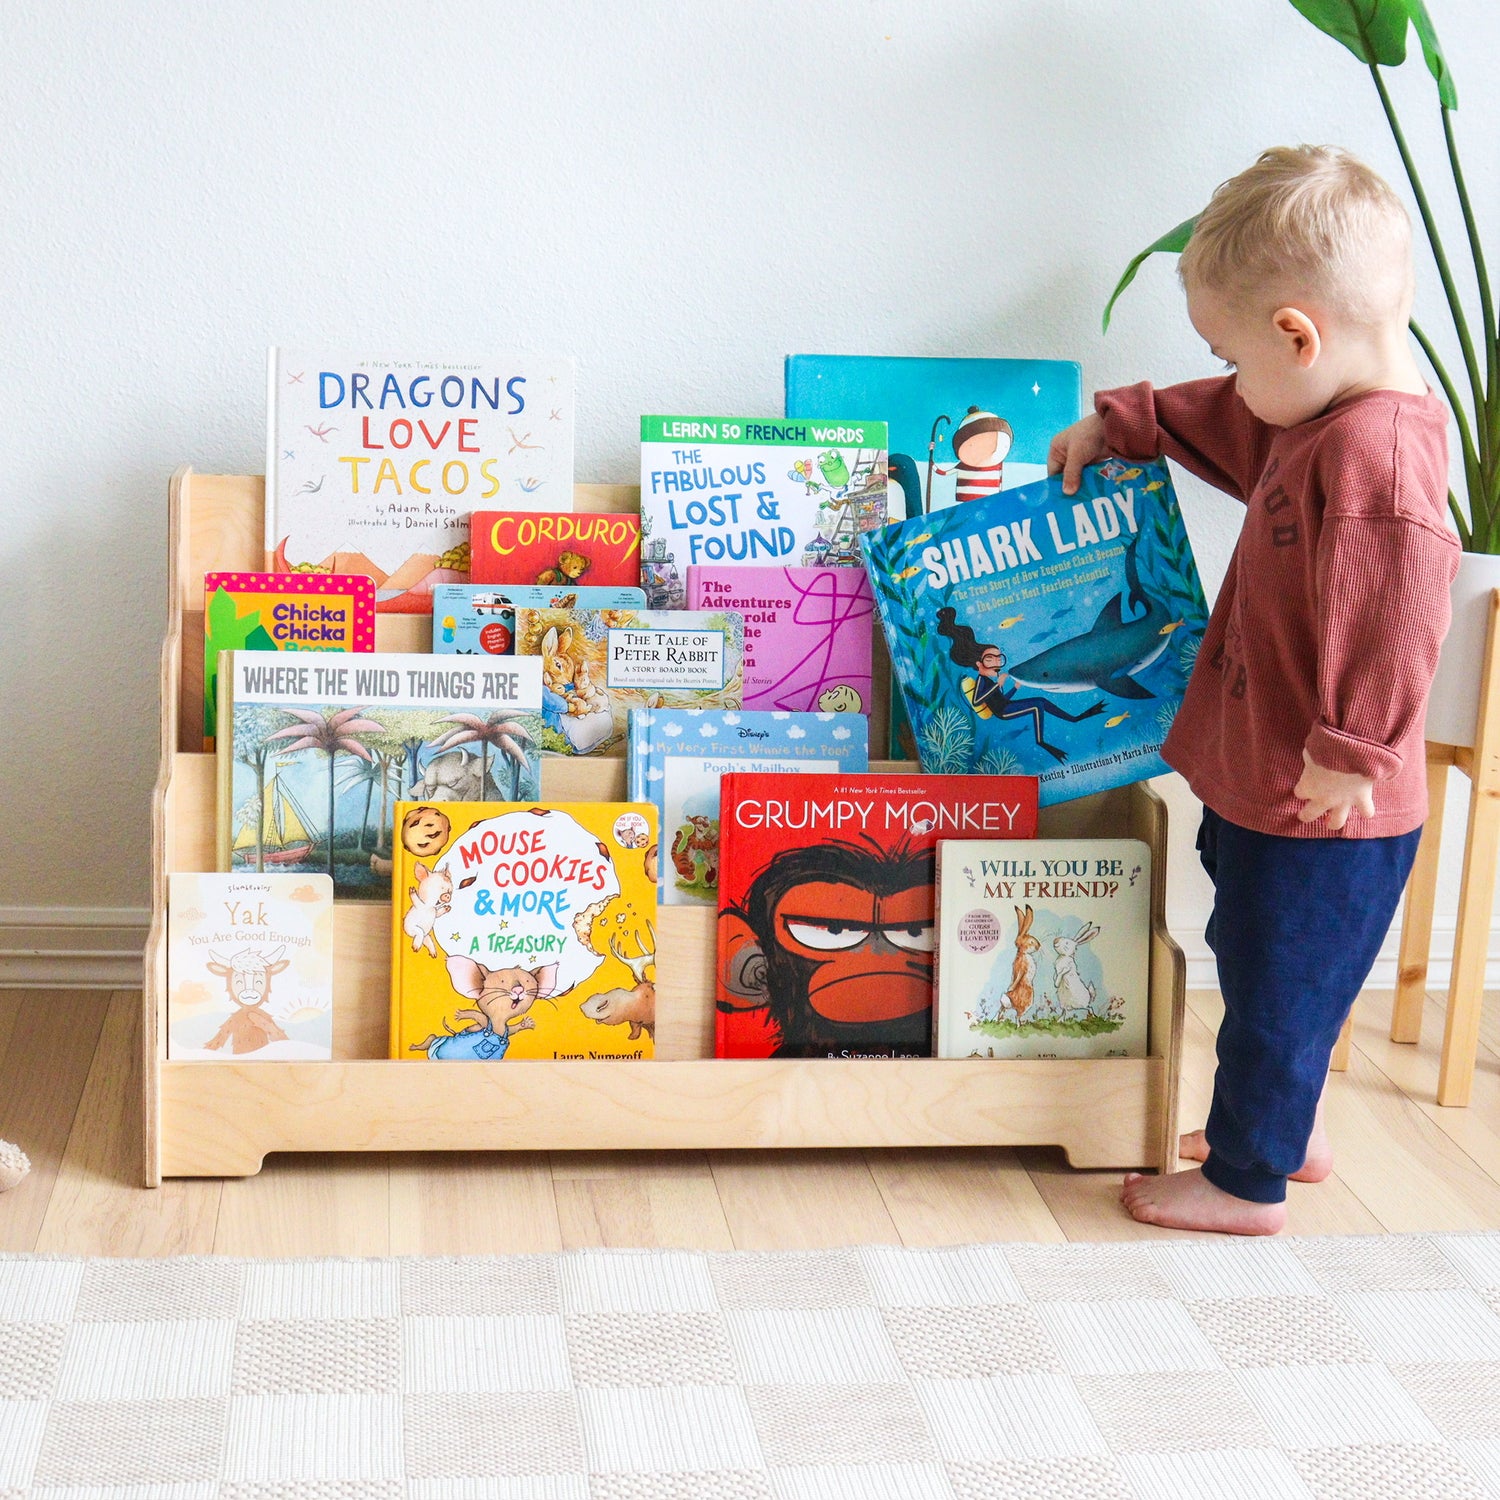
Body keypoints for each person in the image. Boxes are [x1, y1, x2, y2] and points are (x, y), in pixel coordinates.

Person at [1049, 145, 1461, 1234]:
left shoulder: (1377, 460)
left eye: (1232, 355)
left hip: (1326, 800)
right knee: (1256, 955)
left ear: (1296, 335)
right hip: (1268, 779)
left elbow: (1398, 613)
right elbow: (1226, 420)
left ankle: (1247, 1179)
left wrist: (1355, 749)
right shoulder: (1310, 413)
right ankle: (1287, 1125)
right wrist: (1126, 421)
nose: (1231, 381)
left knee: (1277, 990)